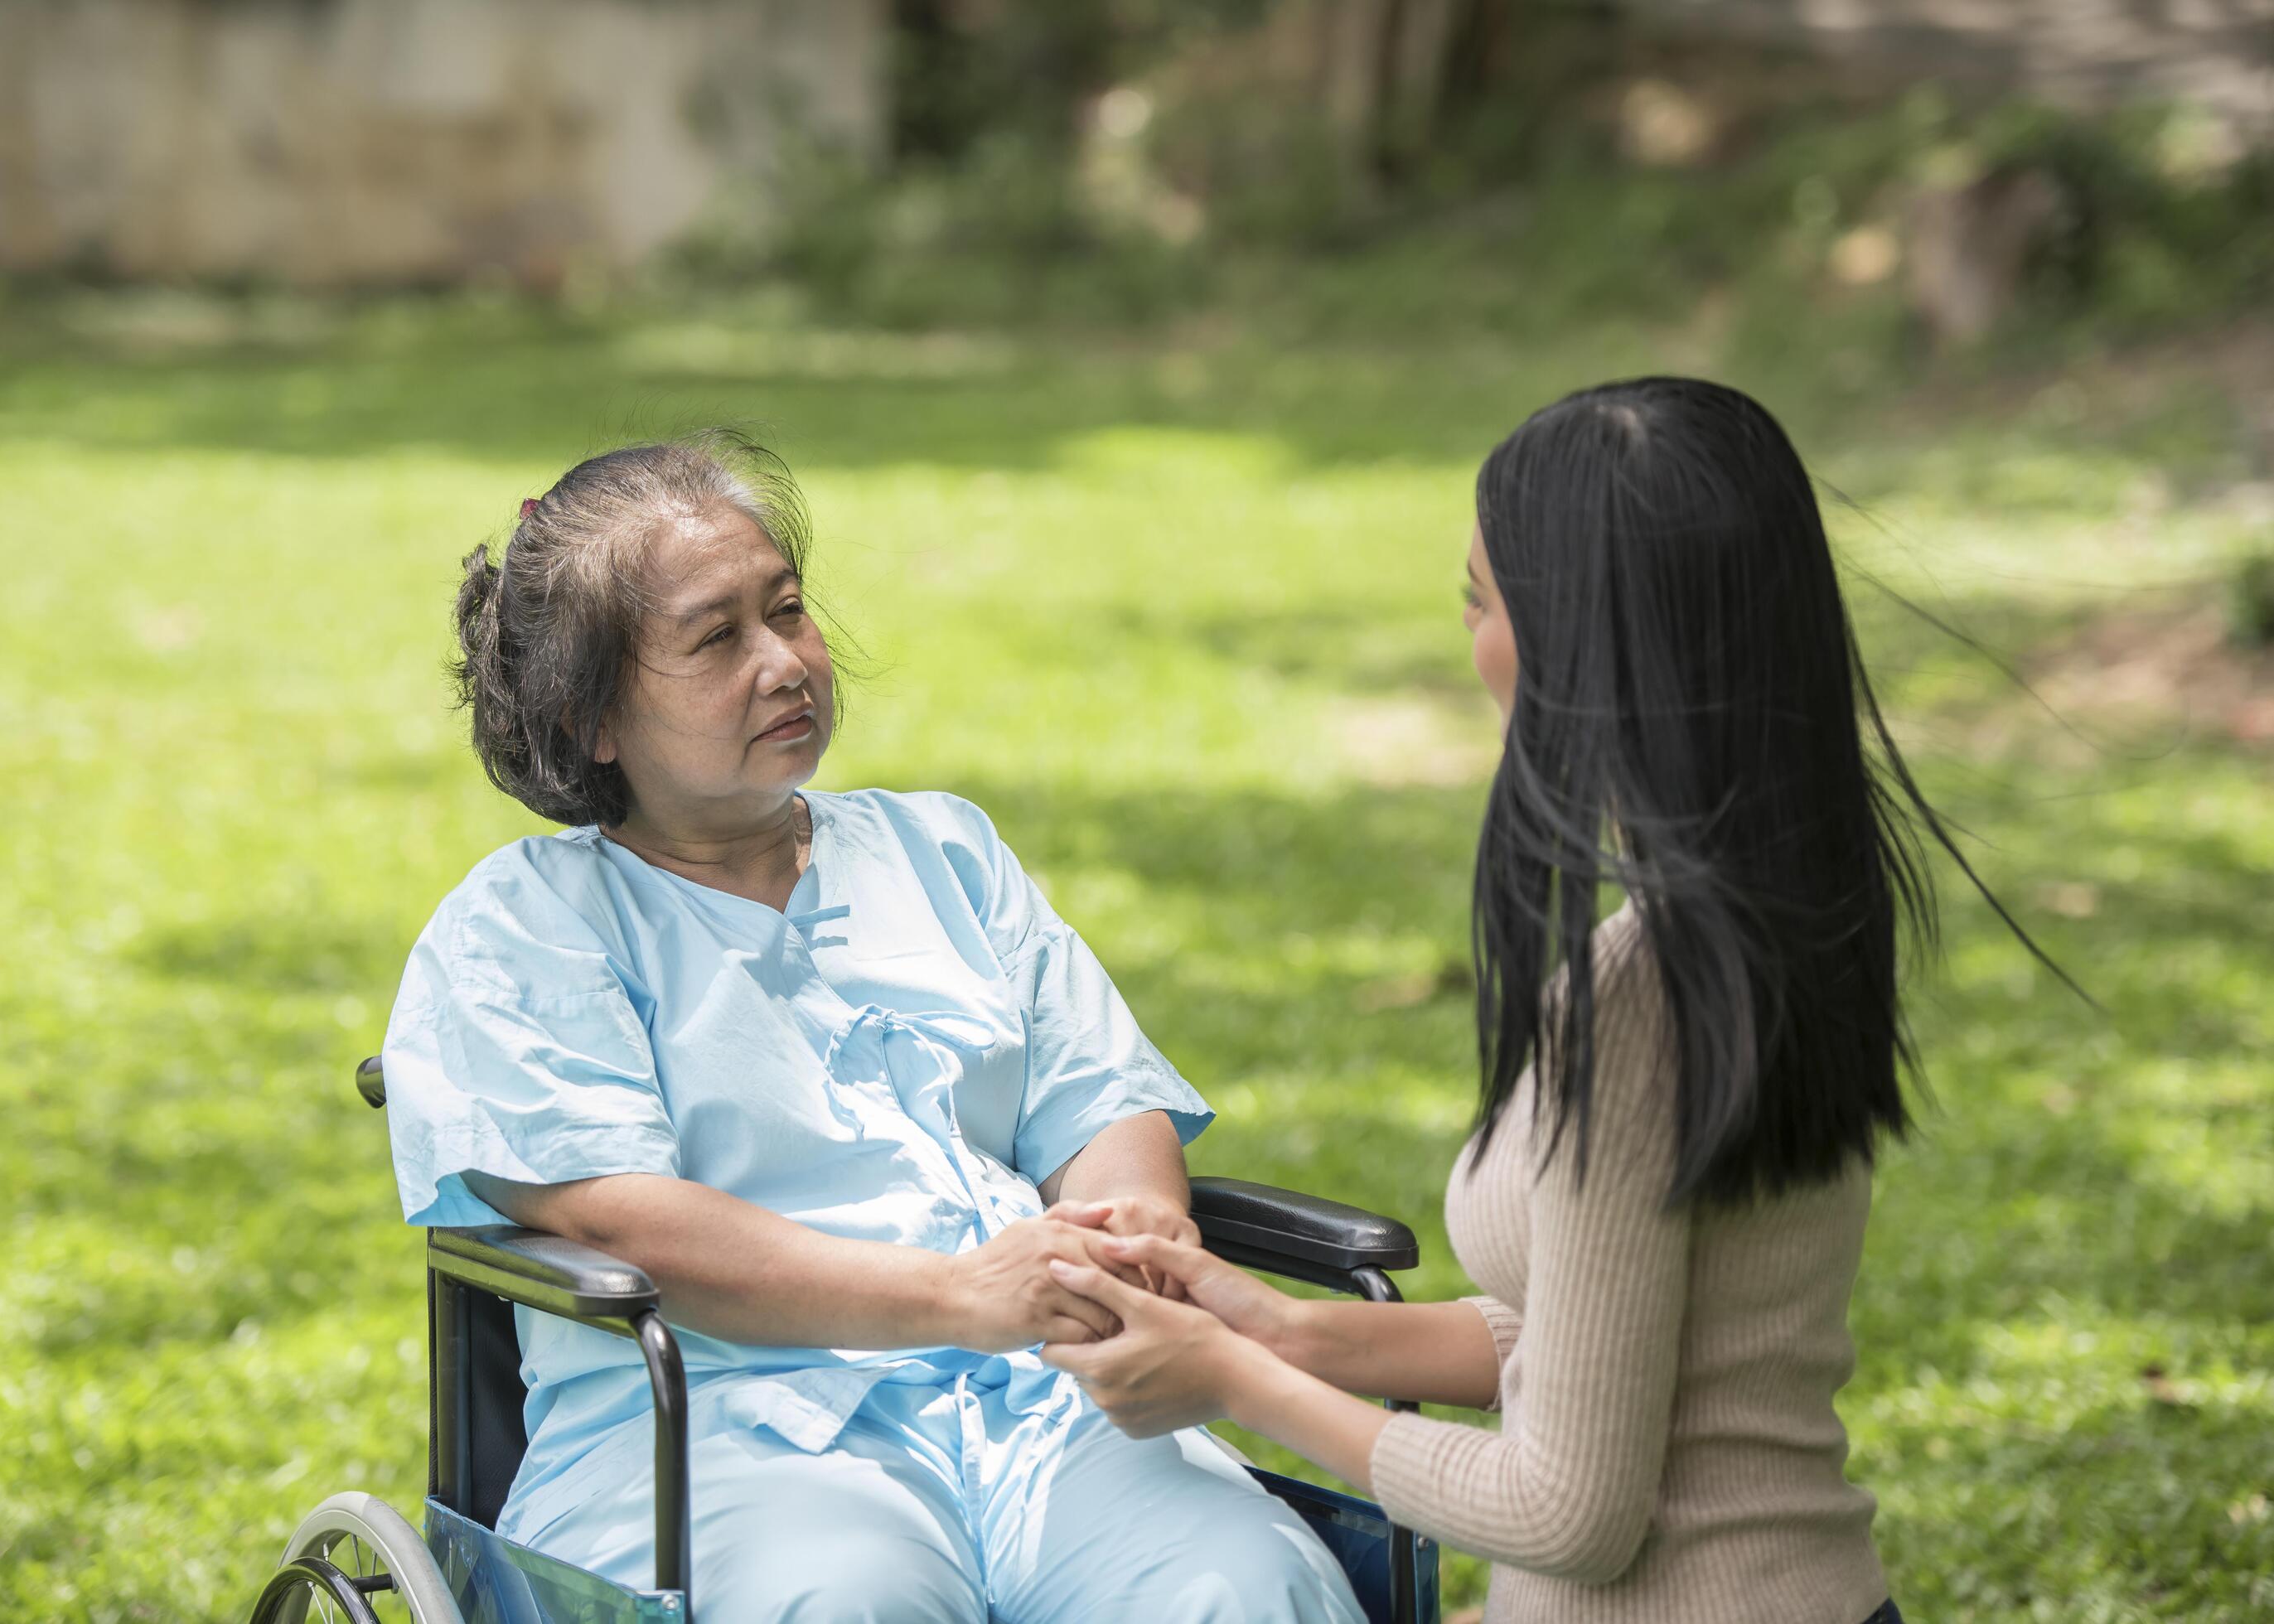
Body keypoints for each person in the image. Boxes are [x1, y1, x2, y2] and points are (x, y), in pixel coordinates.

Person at [1039, 379, 2054, 1624]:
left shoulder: (1634, 999)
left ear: (1575, 638)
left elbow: (1567, 1511)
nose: (1469, 637)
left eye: (1479, 599)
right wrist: (1279, 1333)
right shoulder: (1781, 907)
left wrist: (1230, 1386)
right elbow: (1622, 1347)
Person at [380, 433, 1363, 1623]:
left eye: (786, 612)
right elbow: (622, 1219)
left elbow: (1098, 1099)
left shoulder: (942, 850)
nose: (785, 662)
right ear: (593, 721)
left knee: (1249, 1589)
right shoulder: (526, 925)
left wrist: (1134, 1222)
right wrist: (958, 1294)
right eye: (715, 637)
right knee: (846, 1603)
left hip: (1043, 1394)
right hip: (728, 1430)